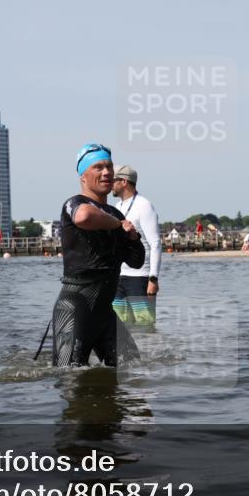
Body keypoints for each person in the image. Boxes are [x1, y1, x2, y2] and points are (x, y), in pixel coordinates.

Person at [51, 143, 144, 367]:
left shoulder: (116, 213)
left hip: (105, 313)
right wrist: (117, 225)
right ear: (83, 175)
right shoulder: (74, 204)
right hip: (75, 308)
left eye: (109, 167)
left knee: (132, 369)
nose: (107, 173)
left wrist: (133, 237)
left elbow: (136, 261)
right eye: (98, 167)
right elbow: (84, 217)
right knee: (70, 378)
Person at [111, 164, 161, 329]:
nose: (109, 183)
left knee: (145, 327)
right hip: (118, 278)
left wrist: (153, 278)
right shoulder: (117, 207)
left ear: (124, 181)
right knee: (119, 327)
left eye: (113, 180)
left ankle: (150, 355)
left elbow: (155, 243)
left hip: (140, 278)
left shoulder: (144, 205)